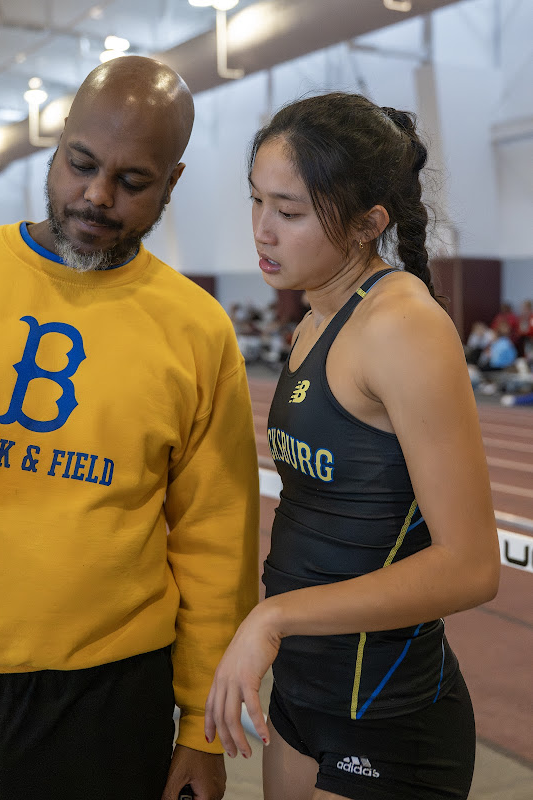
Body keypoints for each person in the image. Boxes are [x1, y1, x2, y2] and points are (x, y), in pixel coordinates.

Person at [0, 57, 260, 800]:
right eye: (82, 164)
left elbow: (215, 542)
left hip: (95, 701)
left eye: (134, 182)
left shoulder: (196, 332)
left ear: (175, 181)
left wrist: (201, 726)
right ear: (59, 141)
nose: (97, 197)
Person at [204, 93, 500, 800]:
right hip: (304, 696)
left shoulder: (402, 329)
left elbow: (471, 566)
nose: (262, 232)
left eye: (291, 212)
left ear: (371, 224)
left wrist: (274, 616)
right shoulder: (315, 318)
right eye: (257, 202)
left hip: (387, 719)